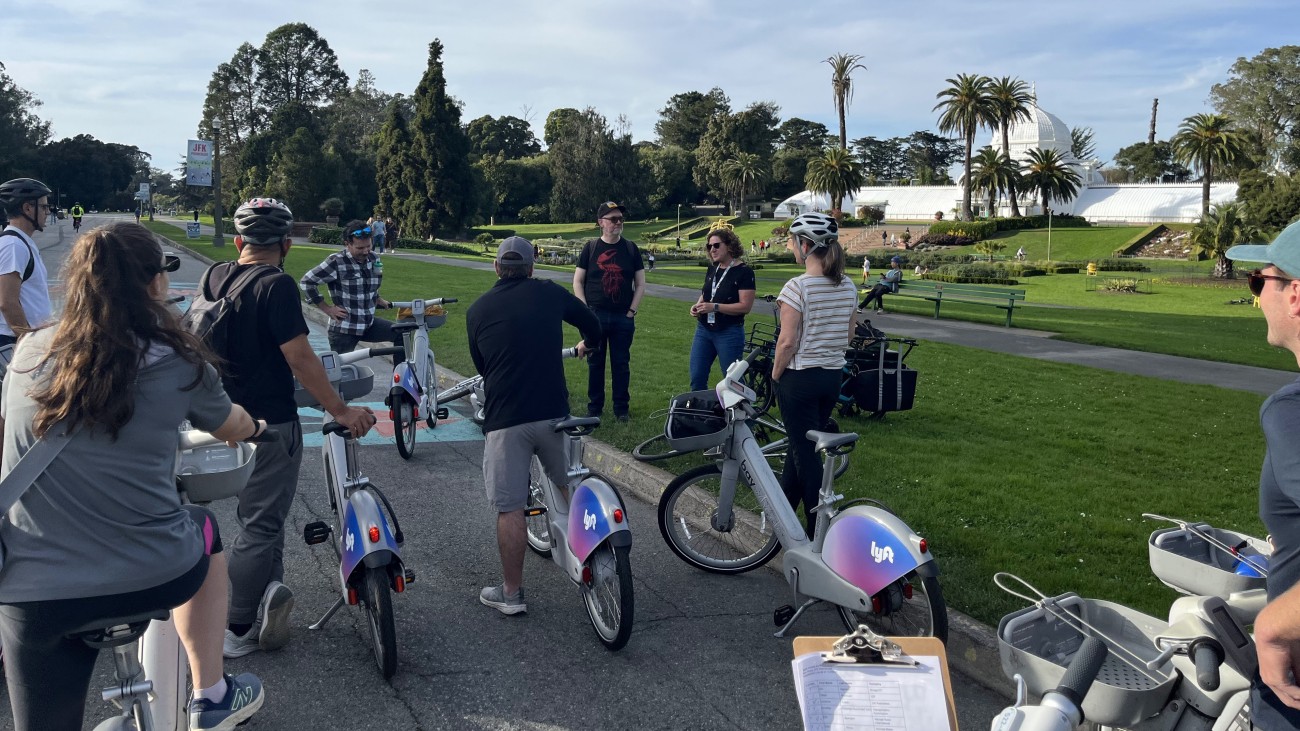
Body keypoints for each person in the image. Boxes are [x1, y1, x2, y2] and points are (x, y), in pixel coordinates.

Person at [0, 222, 265, 730]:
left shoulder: (28, 353)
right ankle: (211, 694)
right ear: (156, 283)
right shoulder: (180, 360)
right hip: (156, 575)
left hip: (34, 591)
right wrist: (255, 425)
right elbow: (231, 424)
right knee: (206, 532)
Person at [213, 199, 376, 659]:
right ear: (286, 244)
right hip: (269, 423)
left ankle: (269, 598)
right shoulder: (277, 284)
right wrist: (340, 409)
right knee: (262, 524)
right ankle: (238, 627)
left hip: (225, 417)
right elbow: (300, 356)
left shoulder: (217, 276)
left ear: (241, 241)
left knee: (261, 517)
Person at [467, 237, 602, 615]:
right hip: (553, 414)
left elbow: (482, 365)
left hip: (505, 420)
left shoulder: (478, 309)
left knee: (510, 507)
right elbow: (593, 324)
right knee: (571, 487)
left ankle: (512, 594)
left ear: (496, 268)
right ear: (531, 268)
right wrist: (588, 343)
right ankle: (600, 563)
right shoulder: (548, 293)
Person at [1223, 224, 1300, 728]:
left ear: (1295, 294)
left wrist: (1273, 628)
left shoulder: (1291, 412)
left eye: (1259, 281)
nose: (1256, 298)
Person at [772, 213, 858, 538]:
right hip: (831, 379)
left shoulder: (796, 287)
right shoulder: (848, 285)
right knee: (800, 449)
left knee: (805, 457)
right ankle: (782, 520)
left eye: (793, 241)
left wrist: (776, 374)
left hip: (799, 380)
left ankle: (818, 535)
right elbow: (849, 335)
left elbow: (787, 341)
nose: (791, 246)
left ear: (805, 245)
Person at [573, 201, 645, 422]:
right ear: (601, 223)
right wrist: (585, 311)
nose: (618, 223)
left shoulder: (631, 249)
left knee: (621, 364)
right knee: (595, 363)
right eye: (613, 219)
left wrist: (632, 311)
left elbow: (640, 283)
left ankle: (621, 409)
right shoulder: (591, 248)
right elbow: (578, 281)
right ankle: (594, 408)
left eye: (620, 219)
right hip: (595, 316)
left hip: (622, 316)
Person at [299, 219, 403, 366]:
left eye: (369, 246)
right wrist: (327, 308)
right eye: (360, 248)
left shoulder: (374, 258)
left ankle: (400, 384)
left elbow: (369, 283)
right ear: (347, 244)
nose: (366, 251)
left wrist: (377, 298)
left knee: (402, 335)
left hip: (368, 323)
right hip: (345, 329)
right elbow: (306, 282)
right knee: (342, 374)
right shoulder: (336, 261)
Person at [689, 227, 755, 391]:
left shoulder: (744, 272)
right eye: (709, 246)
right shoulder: (713, 268)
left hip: (729, 332)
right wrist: (698, 305)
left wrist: (715, 307)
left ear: (730, 246)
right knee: (697, 377)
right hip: (704, 329)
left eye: (716, 245)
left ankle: (741, 415)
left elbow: (745, 307)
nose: (712, 249)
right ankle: (700, 414)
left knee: (733, 381)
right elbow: (707, 294)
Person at [0, 179, 54, 348]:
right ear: (27, 208)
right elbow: (7, 302)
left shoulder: (21, 243)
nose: (48, 212)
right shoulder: (14, 246)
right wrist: (28, 344)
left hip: (23, 338)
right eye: (44, 207)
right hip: (13, 341)